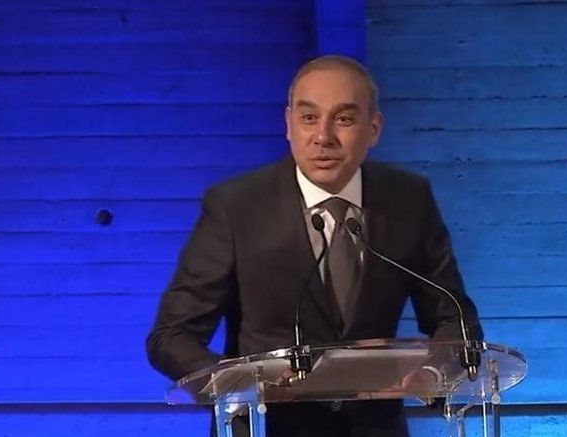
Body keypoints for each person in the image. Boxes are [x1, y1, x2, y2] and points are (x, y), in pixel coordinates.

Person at [146, 55, 483, 437]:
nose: (323, 136)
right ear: (288, 124)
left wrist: (433, 373)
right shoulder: (237, 206)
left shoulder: (408, 200)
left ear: (374, 128)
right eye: (309, 118)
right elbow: (171, 336)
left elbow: (454, 317)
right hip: (267, 428)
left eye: (344, 119)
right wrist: (235, 385)